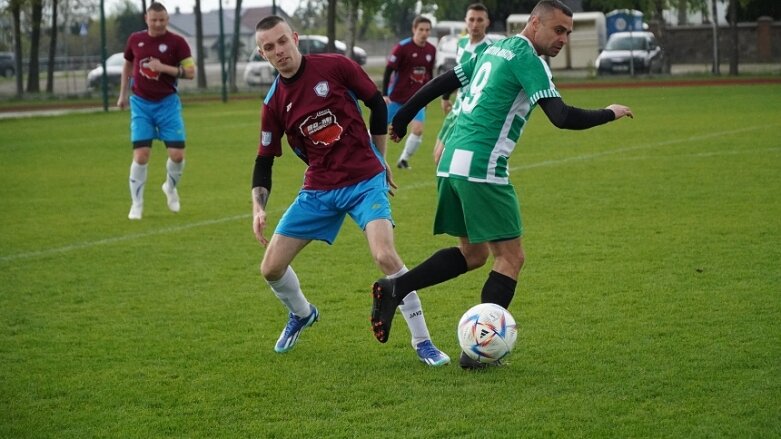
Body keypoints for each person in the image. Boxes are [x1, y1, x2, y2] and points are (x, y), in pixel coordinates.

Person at [370, 0, 634, 369]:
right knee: (511, 258)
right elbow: (561, 116)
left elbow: (444, 80)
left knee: (474, 255)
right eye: (558, 30)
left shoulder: (495, 47)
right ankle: (477, 352)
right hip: (482, 166)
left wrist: (404, 117)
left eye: (568, 33)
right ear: (534, 23)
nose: (564, 39)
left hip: (451, 163)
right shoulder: (529, 59)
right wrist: (610, 112)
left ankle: (395, 288)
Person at [251, 16, 450, 367]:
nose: (279, 51)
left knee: (385, 255)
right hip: (319, 189)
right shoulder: (273, 103)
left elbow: (376, 103)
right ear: (262, 53)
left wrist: (380, 157)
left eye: (282, 41)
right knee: (270, 268)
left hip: (363, 181)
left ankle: (424, 342)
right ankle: (302, 313)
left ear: (295, 38)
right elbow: (264, 160)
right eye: (269, 47)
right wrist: (258, 206)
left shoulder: (336, 66)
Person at [117, 2, 195, 220]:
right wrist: (123, 94)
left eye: (162, 19)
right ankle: (137, 204)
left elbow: (190, 72)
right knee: (141, 156)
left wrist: (164, 68)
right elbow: (127, 66)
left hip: (168, 104)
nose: (158, 23)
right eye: (154, 20)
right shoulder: (135, 39)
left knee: (177, 155)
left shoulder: (177, 42)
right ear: (146, 19)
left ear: (167, 19)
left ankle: (170, 187)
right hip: (141, 104)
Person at [433, 3, 495, 165]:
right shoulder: (461, 43)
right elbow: (458, 73)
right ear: (465, 21)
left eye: (480, 20)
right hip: (457, 107)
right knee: (437, 156)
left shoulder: (490, 50)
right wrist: (446, 96)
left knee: (446, 159)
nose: (475, 24)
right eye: (471, 19)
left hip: (471, 111)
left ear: (487, 22)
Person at [382, 16, 436, 170]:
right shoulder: (402, 47)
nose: (424, 33)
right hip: (396, 98)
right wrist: (385, 94)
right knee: (378, 128)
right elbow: (388, 70)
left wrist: (427, 97)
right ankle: (365, 156)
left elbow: (429, 75)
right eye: (421, 30)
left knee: (418, 129)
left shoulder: (431, 50)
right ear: (414, 29)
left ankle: (403, 160)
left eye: (427, 30)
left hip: (416, 100)